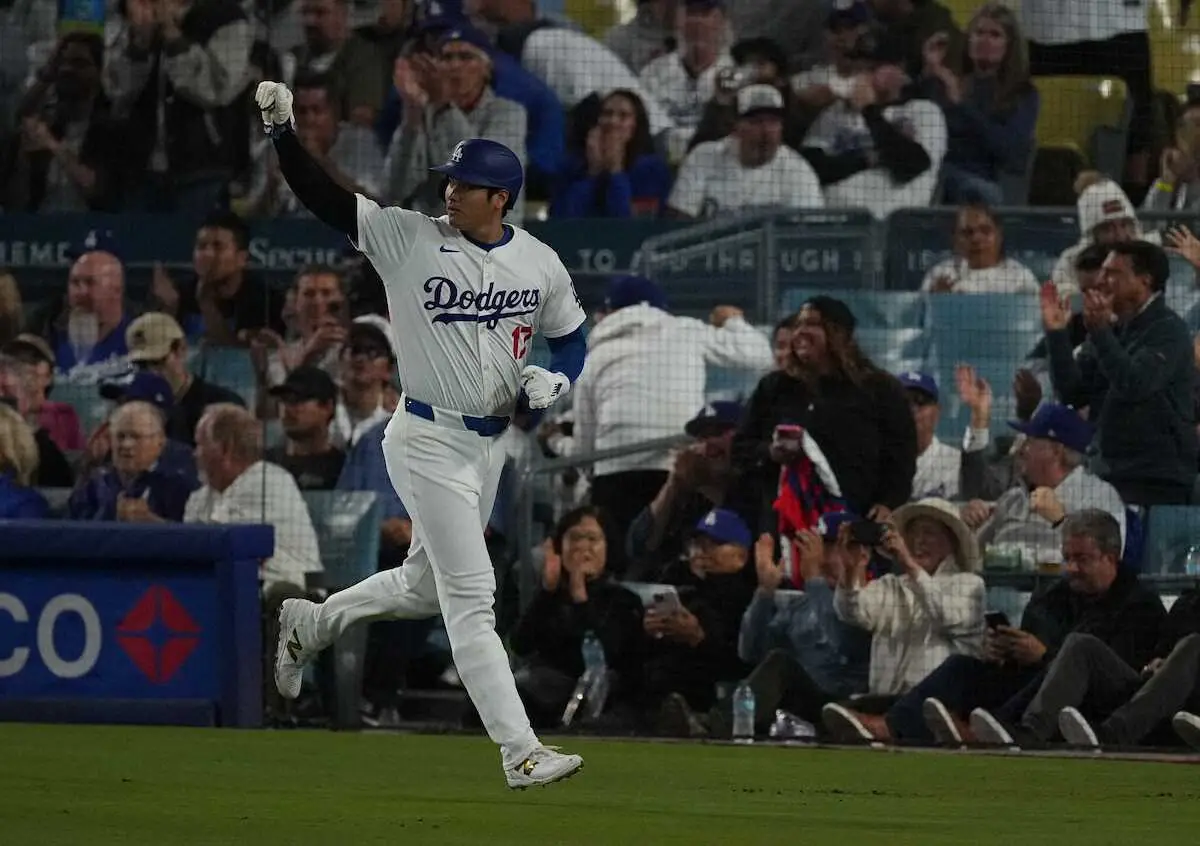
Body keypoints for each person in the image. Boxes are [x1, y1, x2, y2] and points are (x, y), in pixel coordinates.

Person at [255, 79, 587, 788]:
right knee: (473, 596)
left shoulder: (538, 261)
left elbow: (573, 338)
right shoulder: (408, 238)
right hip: (426, 436)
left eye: (464, 186)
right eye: (448, 182)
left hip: (490, 443)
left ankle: (310, 624)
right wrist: (284, 134)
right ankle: (521, 750)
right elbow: (326, 198)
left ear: (500, 198)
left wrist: (559, 381)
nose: (449, 193)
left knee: (422, 586)